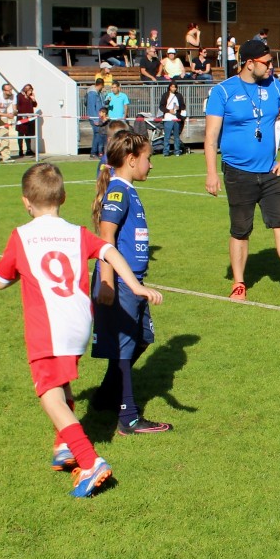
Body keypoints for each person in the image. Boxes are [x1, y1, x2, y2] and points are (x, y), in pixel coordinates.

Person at [0, 161, 160, 498]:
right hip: (79, 324)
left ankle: (89, 460)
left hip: (47, 327)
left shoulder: (21, 236)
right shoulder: (77, 233)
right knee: (61, 381)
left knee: (49, 395)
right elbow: (109, 251)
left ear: (26, 201)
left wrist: (14, 275)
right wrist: (136, 286)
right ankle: (63, 445)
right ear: (63, 197)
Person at [203, 37, 280, 301]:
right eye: (266, 62)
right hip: (237, 172)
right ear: (249, 63)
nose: (271, 67)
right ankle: (239, 284)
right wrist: (211, 173)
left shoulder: (274, 86)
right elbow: (210, 137)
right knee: (241, 230)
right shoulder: (223, 92)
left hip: (270, 172)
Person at [88, 130, 171, 433]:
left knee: (142, 338)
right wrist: (107, 281)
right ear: (132, 159)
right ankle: (129, 417)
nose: (151, 164)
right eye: (148, 158)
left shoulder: (128, 190)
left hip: (134, 281)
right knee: (125, 346)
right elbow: (105, 237)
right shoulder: (118, 191)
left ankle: (106, 396)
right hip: (121, 283)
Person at [159, 80, 186, 156]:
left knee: (176, 136)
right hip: (168, 117)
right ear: (169, 87)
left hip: (176, 117)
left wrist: (178, 108)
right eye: (172, 87)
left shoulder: (179, 95)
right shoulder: (165, 95)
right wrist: (168, 111)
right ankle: (166, 152)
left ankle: (177, 151)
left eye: (175, 87)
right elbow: (161, 106)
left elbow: (183, 106)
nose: (174, 88)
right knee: (167, 136)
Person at [86, 77, 109, 159]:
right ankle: (93, 153)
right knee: (97, 135)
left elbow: (101, 105)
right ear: (101, 85)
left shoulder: (98, 93)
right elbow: (91, 107)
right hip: (95, 118)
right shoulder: (92, 94)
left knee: (98, 135)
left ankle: (97, 152)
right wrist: (95, 119)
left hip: (99, 118)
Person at [15, 84, 38, 158]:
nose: (30, 91)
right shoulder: (20, 95)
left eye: (31, 89)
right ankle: (20, 150)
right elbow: (18, 105)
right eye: (28, 89)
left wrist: (33, 99)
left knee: (28, 134)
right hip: (22, 117)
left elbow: (35, 105)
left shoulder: (31, 96)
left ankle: (28, 149)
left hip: (30, 117)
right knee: (21, 133)